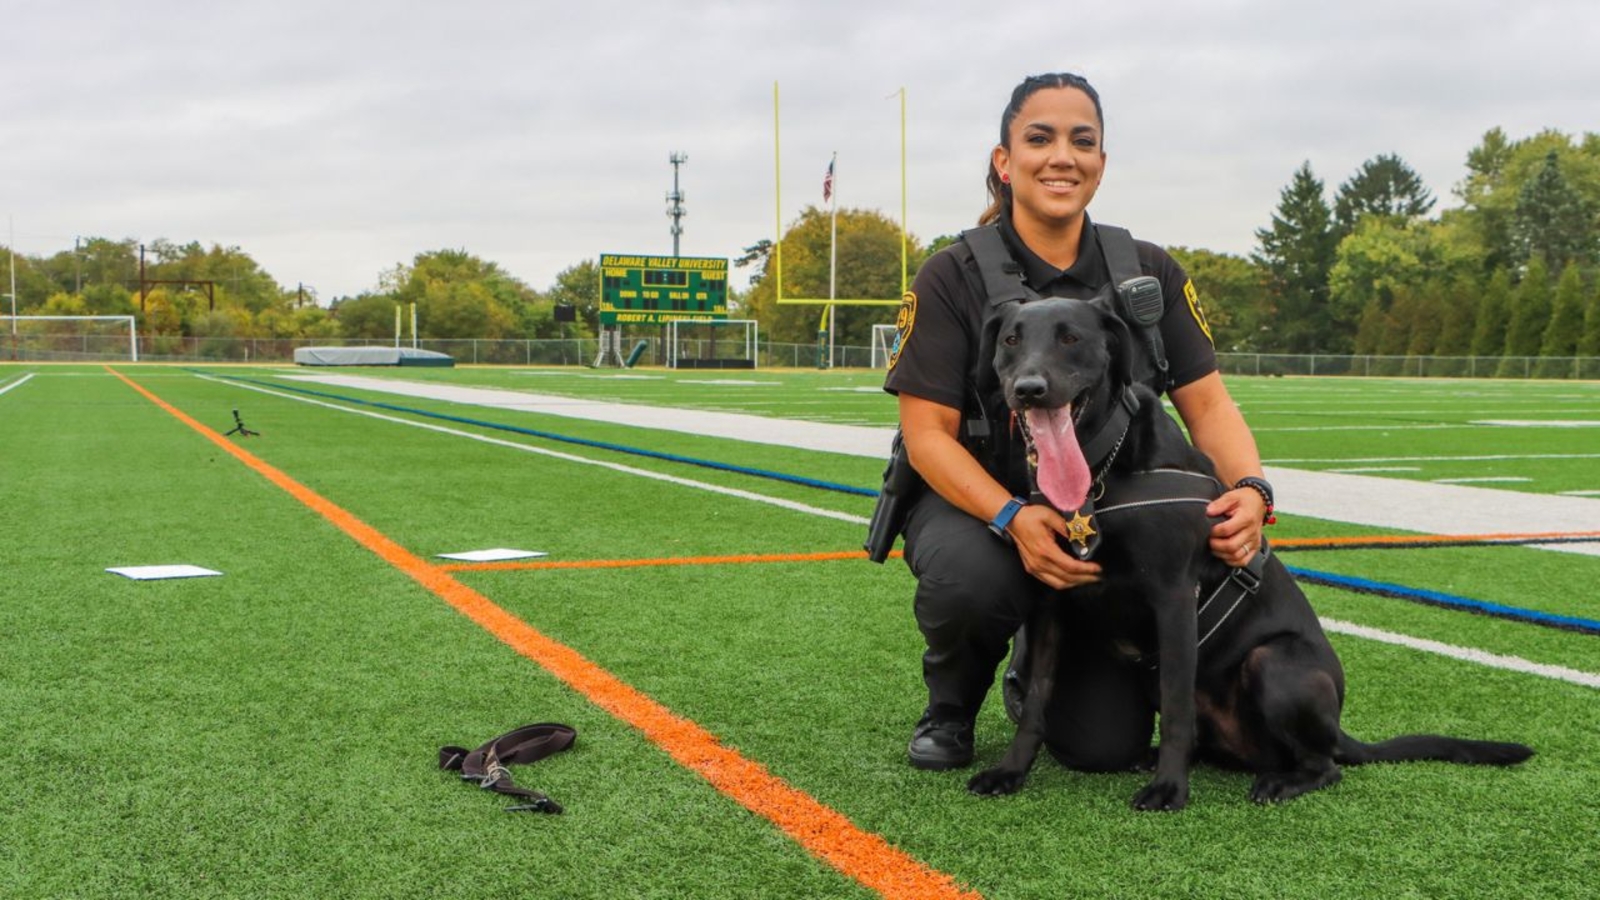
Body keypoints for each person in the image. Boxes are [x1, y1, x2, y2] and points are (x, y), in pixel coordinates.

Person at [882, 72, 1272, 772]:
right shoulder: (952, 275)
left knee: (1102, 749)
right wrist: (1008, 515)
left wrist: (1251, 489)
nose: (1062, 155)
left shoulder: (1147, 272)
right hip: (983, 505)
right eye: (1040, 138)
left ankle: (1050, 663)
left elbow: (1208, 404)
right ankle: (950, 707)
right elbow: (927, 436)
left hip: (1106, 524)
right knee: (971, 578)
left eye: (1082, 141)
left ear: (1101, 162)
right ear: (1005, 161)